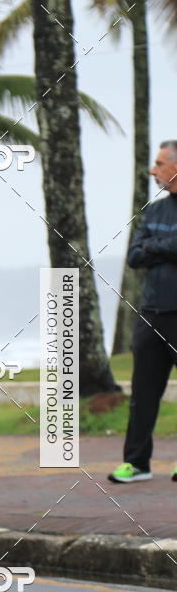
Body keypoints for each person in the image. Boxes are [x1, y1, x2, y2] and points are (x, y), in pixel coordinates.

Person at [109, 139, 177, 483]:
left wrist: (155, 246)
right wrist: (164, 247)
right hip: (152, 314)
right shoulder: (153, 210)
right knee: (143, 394)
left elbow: (149, 248)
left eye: (160, 164)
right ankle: (137, 463)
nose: (153, 170)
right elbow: (135, 255)